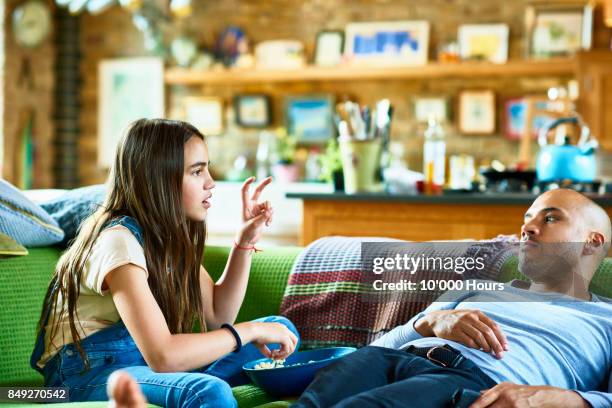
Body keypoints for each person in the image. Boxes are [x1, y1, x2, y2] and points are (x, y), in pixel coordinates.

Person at [30, 119, 299, 408]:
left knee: (281, 331)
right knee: (207, 392)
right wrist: (251, 331)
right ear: (158, 179)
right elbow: (163, 355)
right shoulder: (118, 240)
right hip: (83, 377)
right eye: (197, 171)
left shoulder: (165, 238)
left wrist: (245, 240)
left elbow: (218, 317)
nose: (211, 182)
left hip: (143, 365)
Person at [293, 189, 612, 408]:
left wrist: (563, 399)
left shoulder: (606, 318)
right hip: (383, 360)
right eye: (527, 218)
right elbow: (379, 350)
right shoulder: (474, 289)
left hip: (470, 381)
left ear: (592, 242)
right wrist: (428, 323)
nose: (527, 227)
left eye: (550, 218)